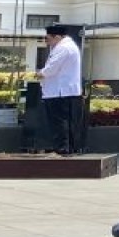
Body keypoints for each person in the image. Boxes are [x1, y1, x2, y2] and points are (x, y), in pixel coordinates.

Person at [38, 24, 83, 154]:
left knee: (58, 122)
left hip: (59, 92)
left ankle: (62, 148)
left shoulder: (63, 48)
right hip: (66, 91)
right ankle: (70, 148)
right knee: (68, 121)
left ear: (57, 37)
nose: (46, 42)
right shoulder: (69, 46)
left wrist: (39, 74)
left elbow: (52, 68)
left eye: (48, 38)